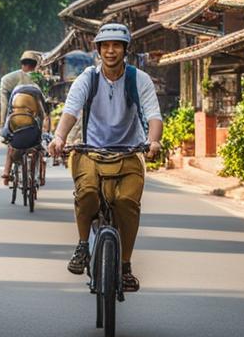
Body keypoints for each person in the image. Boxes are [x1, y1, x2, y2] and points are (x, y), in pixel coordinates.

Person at [46, 23, 163, 293]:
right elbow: (71, 111)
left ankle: (125, 266)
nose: (111, 51)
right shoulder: (88, 78)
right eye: (106, 45)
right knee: (86, 193)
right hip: (91, 150)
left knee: (127, 203)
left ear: (125, 50)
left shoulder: (139, 79)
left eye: (117, 45)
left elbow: (153, 115)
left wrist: (153, 141)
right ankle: (82, 245)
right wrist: (60, 137)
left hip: (130, 152)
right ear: (98, 50)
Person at [1, 82, 48, 186]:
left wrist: (5, 134)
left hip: (16, 123)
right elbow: (44, 113)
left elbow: (9, 111)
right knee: (40, 147)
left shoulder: (16, 92)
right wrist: (44, 134)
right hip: (32, 125)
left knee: (10, 146)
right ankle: (41, 176)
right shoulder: (37, 92)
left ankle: (6, 172)